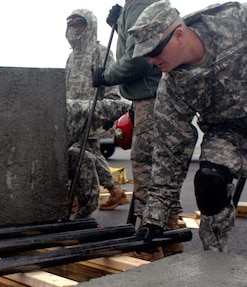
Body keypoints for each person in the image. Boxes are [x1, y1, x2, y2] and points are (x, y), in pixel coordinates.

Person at [128, 0, 247, 252]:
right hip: (227, 131)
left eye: (155, 50)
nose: (150, 60)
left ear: (178, 34)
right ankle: (215, 263)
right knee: (209, 182)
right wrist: (154, 218)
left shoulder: (236, 21)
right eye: (145, 54)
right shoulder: (172, 86)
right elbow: (169, 151)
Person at [92, 0, 183, 258]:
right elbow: (141, 45)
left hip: (150, 98)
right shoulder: (142, 4)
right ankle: (170, 238)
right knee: (163, 169)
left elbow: (140, 60)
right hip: (156, 96)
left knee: (146, 167)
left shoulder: (140, 4)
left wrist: (106, 75)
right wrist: (121, 25)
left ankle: (149, 246)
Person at [65, 9, 129, 218]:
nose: (76, 29)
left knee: (86, 155)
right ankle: (112, 190)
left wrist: (109, 114)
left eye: (80, 24)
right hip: (74, 117)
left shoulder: (99, 52)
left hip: (93, 113)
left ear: (89, 26)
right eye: (73, 25)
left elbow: (112, 86)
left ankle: (80, 197)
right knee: (88, 155)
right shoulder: (72, 56)